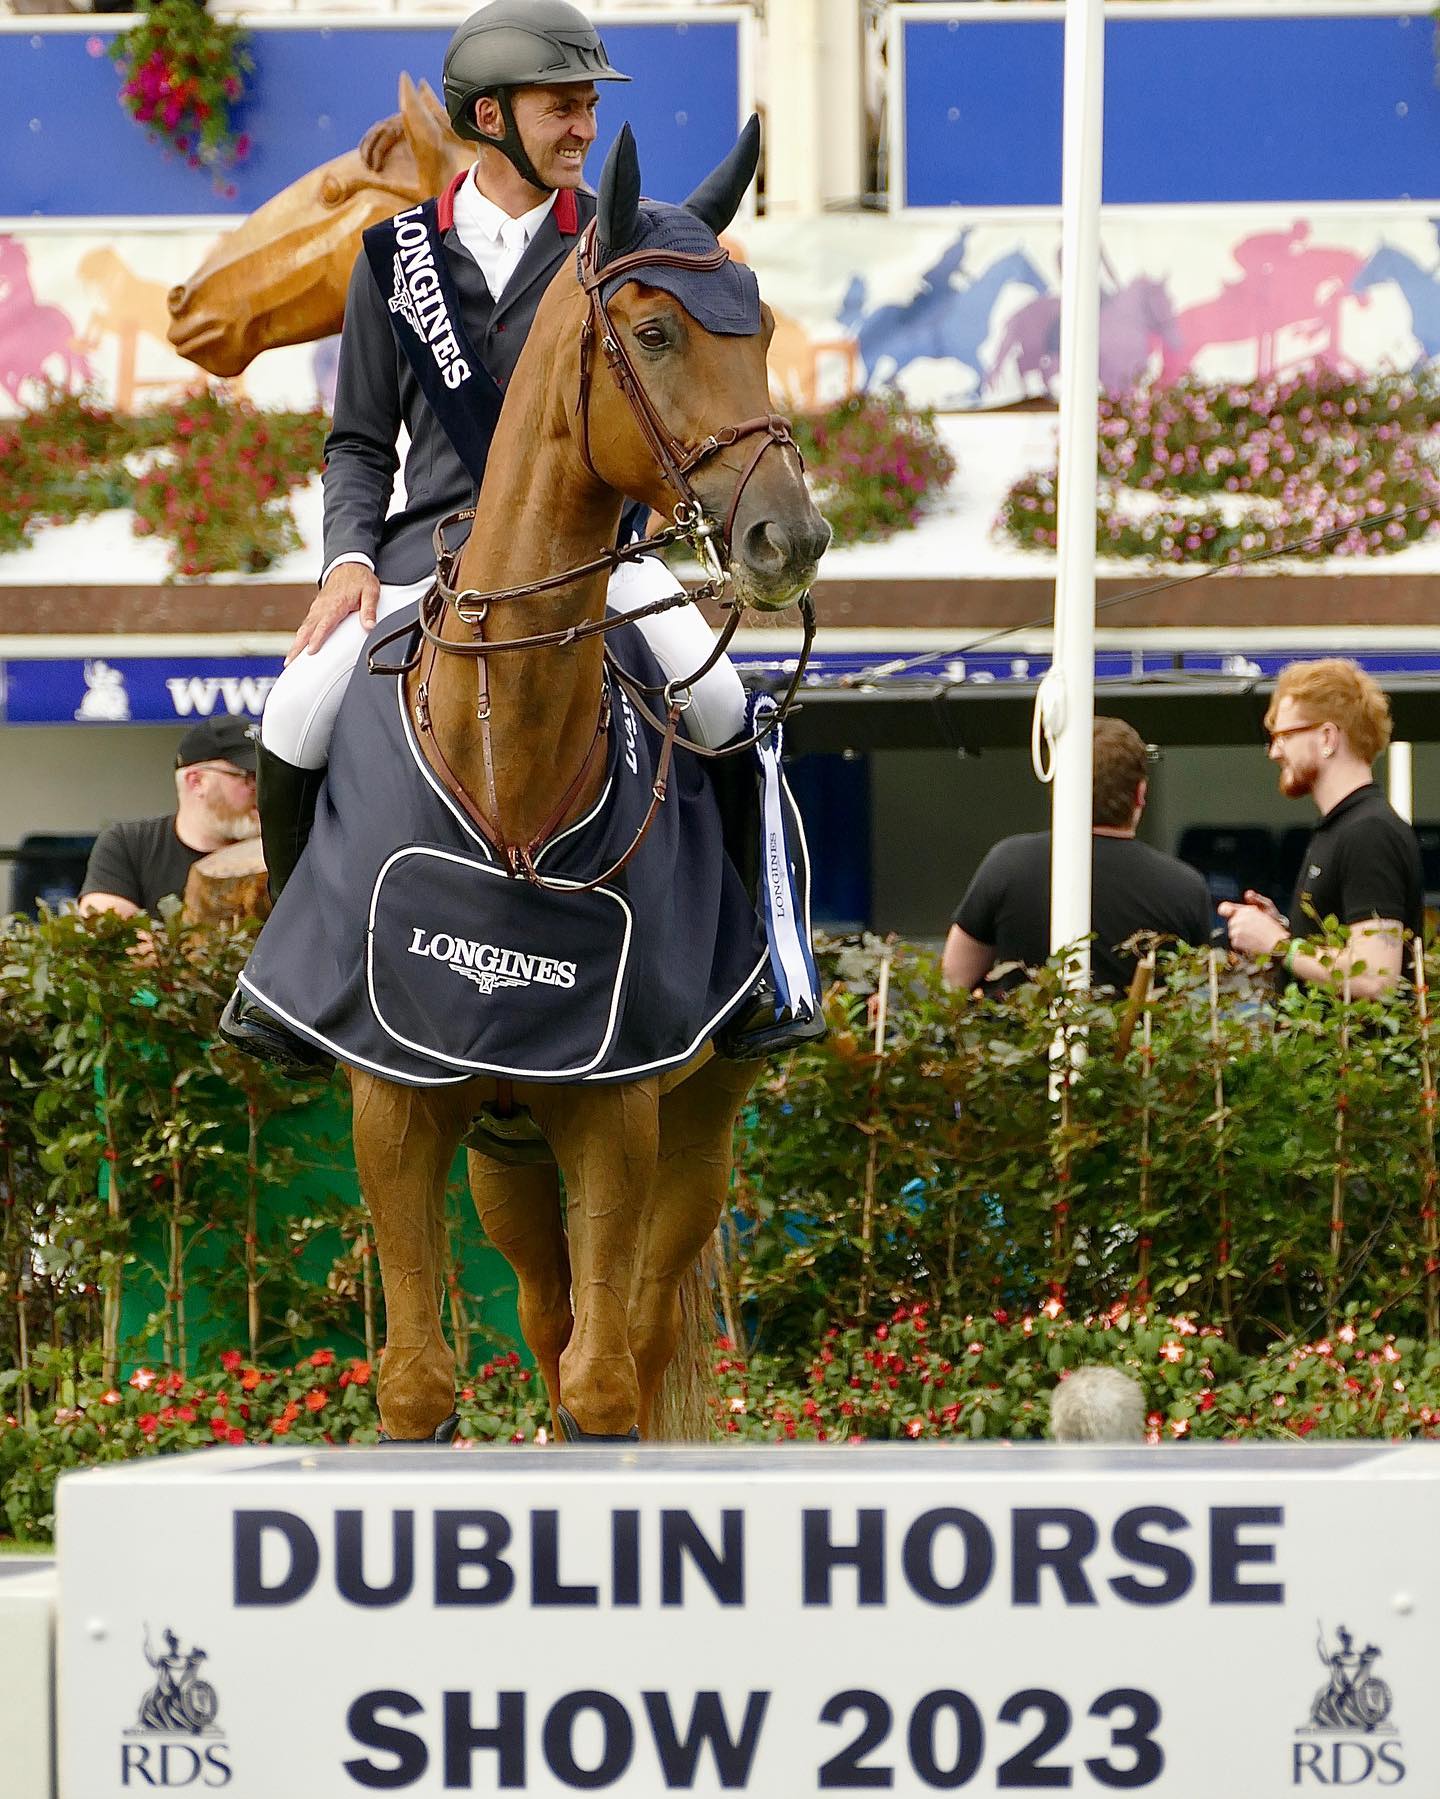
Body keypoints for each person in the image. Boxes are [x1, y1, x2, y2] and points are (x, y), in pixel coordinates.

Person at [223, 0, 803, 1071]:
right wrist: (347, 561)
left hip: (596, 562)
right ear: (489, 116)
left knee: (726, 708)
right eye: (561, 105)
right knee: (296, 705)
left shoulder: (624, 247)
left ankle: (755, 965)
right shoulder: (392, 257)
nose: (581, 125)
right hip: (420, 560)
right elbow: (358, 441)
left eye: (588, 105)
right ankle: (301, 972)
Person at [942, 716, 1213, 993]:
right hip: (1139, 1037)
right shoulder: (1185, 887)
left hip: (1026, 1035)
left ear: (1058, 788)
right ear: (1140, 793)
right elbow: (1200, 997)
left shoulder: (1008, 864)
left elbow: (954, 981)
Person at [1220, 659, 1423, 997]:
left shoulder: (1368, 832)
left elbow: (1376, 976)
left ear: (1327, 737)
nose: (1274, 752)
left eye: (1284, 736)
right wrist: (1281, 930)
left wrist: (1278, 943)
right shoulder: (1346, 827)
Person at [79, 716, 259, 919]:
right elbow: (107, 929)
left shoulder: (283, 848)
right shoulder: (129, 845)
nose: (262, 788)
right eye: (249, 776)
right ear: (196, 781)